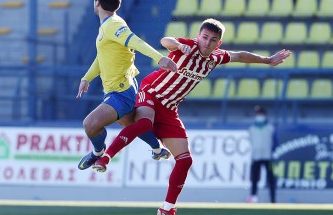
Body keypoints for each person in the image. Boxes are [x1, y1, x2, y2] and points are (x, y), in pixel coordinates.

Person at [93, 18, 292, 215]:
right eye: (204, 37)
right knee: (144, 122)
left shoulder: (216, 57)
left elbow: (239, 55)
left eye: (213, 40)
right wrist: (179, 45)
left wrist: (267, 60)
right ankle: (106, 157)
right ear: (198, 36)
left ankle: (167, 209)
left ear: (218, 44)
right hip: (152, 92)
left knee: (185, 160)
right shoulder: (188, 46)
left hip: (170, 108)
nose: (207, 42)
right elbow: (165, 41)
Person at [76, 0, 178, 171]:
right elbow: (103, 57)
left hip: (121, 91)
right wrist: (87, 78)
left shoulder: (113, 25)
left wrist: (159, 58)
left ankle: (98, 152)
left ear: (97, 3)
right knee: (131, 123)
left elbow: (135, 41)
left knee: (90, 124)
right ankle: (157, 148)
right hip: (119, 88)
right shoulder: (108, 25)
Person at [247, 105, 277, 203]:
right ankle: (253, 197)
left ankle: (272, 200)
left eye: (261, 114)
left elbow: (275, 142)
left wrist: (273, 152)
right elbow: (251, 142)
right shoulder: (251, 129)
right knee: (254, 179)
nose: (259, 116)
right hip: (256, 156)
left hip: (267, 157)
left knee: (271, 179)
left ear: (265, 115)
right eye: (257, 114)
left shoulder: (270, 128)